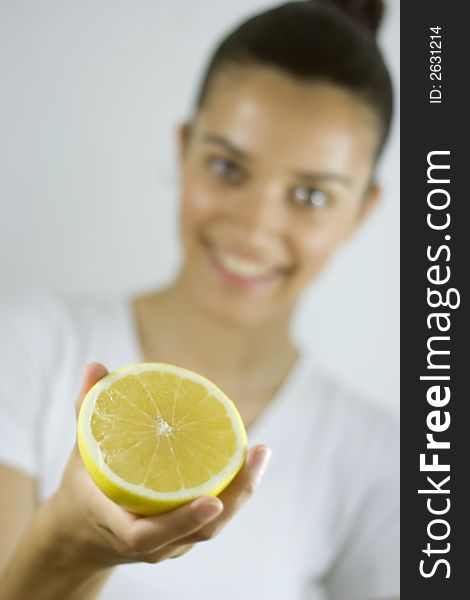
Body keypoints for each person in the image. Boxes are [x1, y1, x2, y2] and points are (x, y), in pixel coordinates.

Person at [0, 1, 399, 599]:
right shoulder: (28, 343)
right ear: (184, 150)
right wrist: (68, 540)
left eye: (311, 196)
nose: (254, 227)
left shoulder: (379, 457)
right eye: (226, 167)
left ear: (361, 211)